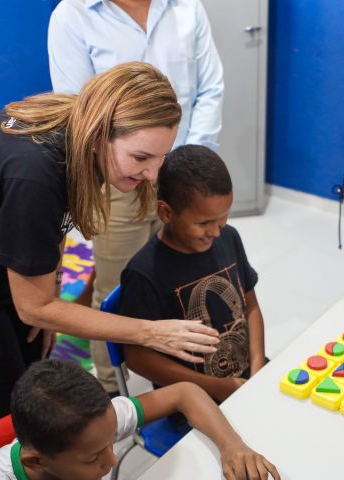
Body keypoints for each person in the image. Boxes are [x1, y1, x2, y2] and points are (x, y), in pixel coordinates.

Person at [0, 62, 220, 426]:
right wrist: (151, 332)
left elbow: (48, 229)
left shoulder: (80, 127)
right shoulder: (35, 172)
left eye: (161, 157)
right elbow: (33, 306)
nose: (152, 174)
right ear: (99, 133)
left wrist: (47, 294)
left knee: (31, 378)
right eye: (141, 158)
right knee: (20, 421)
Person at [47, 0, 224, 394]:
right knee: (115, 288)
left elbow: (210, 87)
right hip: (116, 175)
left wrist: (186, 165)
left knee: (181, 278)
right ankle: (112, 390)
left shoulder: (186, 8)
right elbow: (79, 110)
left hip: (182, 172)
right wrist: (137, 162)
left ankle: (178, 375)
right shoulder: (73, 15)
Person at [0, 358, 281, 480]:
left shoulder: (95, 425)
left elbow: (185, 392)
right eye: (93, 458)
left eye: (110, 443)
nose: (111, 462)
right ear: (36, 462)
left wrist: (233, 446)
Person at [119, 145, 266, 402]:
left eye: (224, 217)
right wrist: (217, 388)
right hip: (191, 399)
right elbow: (137, 358)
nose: (217, 231)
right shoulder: (143, 273)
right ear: (166, 213)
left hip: (246, 379)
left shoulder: (229, 238)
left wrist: (258, 367)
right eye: (204, 223)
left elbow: (250, 306)